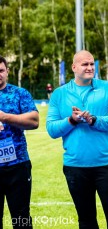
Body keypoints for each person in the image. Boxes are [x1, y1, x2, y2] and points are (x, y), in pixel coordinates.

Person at [46, 50, 108, 229]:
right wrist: (71, 120)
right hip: (76, 166)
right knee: (86, 220)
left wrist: (94, 120)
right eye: (85, 64)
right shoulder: (60, 94)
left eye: (92, 64)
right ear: (74, 67)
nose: (90, 67)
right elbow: (51, 129)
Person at [0, 55, 39, 229]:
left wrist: (4, 117)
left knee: (21, 218)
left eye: (0, 70)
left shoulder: (19, 94)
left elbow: (34, 121)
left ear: (7, 71)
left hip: (18, 165)